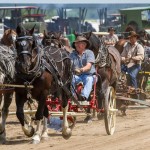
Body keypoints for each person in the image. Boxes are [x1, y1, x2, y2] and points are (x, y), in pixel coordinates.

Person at [70, 36, 96, 102]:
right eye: (76, 43)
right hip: (77, 76)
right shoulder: (72, 54)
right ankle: (72, 96)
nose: (77, 45)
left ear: (85, 45)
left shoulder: (89, 53)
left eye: (80, 43)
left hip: (89, 75)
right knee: (70, 78)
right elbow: (69, 65)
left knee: (88, 79)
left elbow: (88, 66)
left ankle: (83, 97)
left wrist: (81, 70)